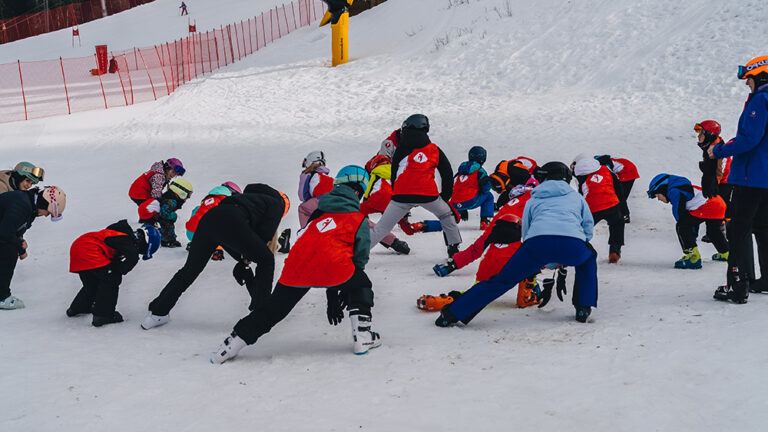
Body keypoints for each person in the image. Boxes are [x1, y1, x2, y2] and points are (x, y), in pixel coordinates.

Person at [210, 166, 381, 363]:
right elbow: (358, 259)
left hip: (297, 265)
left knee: (274, 309)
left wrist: (333, 290)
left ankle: (231, 345)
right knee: (362, 283)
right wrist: (339, 288)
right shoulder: (357, 219)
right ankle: (362, 336)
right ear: (359, 191)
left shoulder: (318, 214)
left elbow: (308, 241)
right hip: (335, 267)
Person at [434, 162, 597, 325]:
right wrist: (566, 253)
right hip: (573, 244)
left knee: (501, 281)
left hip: (537, 244)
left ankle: (451, 314)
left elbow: (526, 231)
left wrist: (540, 257)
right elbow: (587, 230)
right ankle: (583, 307)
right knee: (589, 258)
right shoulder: (577, 197)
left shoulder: (534, 197)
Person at [141, 184, 289, 329]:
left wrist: (243, 259)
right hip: (232, 222)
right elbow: (263, 237)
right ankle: (261, 314)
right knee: (267, 260)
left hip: (209, 220)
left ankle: (158, 311)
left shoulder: (245, 198)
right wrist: (245, 258)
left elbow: (240, 234)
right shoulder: (276, 204)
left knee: (189, 270)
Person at [708, 55, 768, 302]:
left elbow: (749, 139)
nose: (747, 85)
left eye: (749, 79)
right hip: (765, 181)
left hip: (750, 178)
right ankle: (765, 280)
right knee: (764, 229)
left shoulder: (760, 100)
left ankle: (737, 285)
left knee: (738, 230)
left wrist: (718, 151)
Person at [369, 114, 462, 257]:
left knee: (381, 228)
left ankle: (356, 256)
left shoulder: (400, 149)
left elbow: (394, 173)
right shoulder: (434, 149)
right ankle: (453, 249)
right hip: (428, 195)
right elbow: (447, 173)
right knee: (446, 215)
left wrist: (397, 192)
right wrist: (444, 196)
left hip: (400, 196)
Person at [421, 214, 540, 311]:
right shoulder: (519, 248)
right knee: (528, 266)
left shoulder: (490, 244)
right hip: (499, 282)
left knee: (469, 296)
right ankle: (526, 297)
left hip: (481, 281)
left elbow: (475, 251)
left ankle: (443, 300)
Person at [67, 222, 160, 327]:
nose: (139, 252)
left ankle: (78, 307)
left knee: (93, 283)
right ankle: (104, 315)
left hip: (79, 247)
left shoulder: (118, 233)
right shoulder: (127, 240)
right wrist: (119, 269)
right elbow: (132, 257)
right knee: (112, 278)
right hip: (91, 251)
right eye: (142, 250)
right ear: (143, 241)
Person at [0, 186, 66, 309]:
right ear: (45, 204)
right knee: (9, 251)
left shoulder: (30, 206)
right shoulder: (22, 205)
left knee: (10, 247)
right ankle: (2, 297)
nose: (46, 216)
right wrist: (20, 247)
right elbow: (5, 232)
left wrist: (19, 240)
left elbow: (15, 228)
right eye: (49, 212)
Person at [647, 174, 729, 269]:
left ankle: (693, 257)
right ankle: (726, 253)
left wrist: (688, 232)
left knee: (681, 226)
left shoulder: (673, 191)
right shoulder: (681, 187)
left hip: (707, 205)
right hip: (718, 203)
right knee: (713, 232)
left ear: (662, 189)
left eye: (657, 195)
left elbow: (679, 214)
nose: (659, 199)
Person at [572, 155, 625, 263]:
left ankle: (576, 250)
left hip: (592, 207)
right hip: (612, 204)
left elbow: (581, 195)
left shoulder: (579, 176)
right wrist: (622, 207)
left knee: (582, 229)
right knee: (617, 223)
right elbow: (617, 186)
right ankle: (615, 250)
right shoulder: (606, 169)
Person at [360, 155, 410, 254]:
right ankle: (406, 231)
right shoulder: (395, 172)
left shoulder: (376, 172)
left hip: (376, 200)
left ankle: (365, 227)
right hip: (393, 201)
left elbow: (369, 190)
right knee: (387, 221)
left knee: (359, 212)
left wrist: (365, 202)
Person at [185, 182, 241, 259]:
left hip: (190, 232)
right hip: (208, 235)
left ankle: (196, 243)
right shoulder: (225, 202)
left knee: (198, 209)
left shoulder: (210, 199)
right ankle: (216, 248)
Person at [138, 178, 193, 248]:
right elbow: (163, 214)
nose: (188, 198)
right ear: (181, 193)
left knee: (159, 224)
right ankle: (167, 241)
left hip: (150, 213)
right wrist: (173, 215)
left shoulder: (170, 195)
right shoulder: (172, 201)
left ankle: (153, 234)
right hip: (151, 215)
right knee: (168, 223)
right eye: (188, 195)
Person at [449, 146, 494, 229]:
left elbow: (453, 186)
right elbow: (486, 188)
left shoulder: (459, 171)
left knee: (447, 222)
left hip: (455, 203)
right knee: (489, 196)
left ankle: (423, 225)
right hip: (471, 201)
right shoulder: (480, 171)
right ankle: (485, 221)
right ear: (483, 159)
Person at [594, 155, 639, 223]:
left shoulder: (603, 164)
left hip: (628, 172)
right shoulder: (599, 160)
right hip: (627, 169)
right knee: (619, 195)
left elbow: (609, 175)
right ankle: (621, 214)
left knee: (620, 195)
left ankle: (624, 216)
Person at [297, 150, 334, 229]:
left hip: (322, 201)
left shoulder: (307, 174)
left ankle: (305, 233)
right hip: (335, 200)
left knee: (303, 208)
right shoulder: (324, 176)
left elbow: (302, 197)